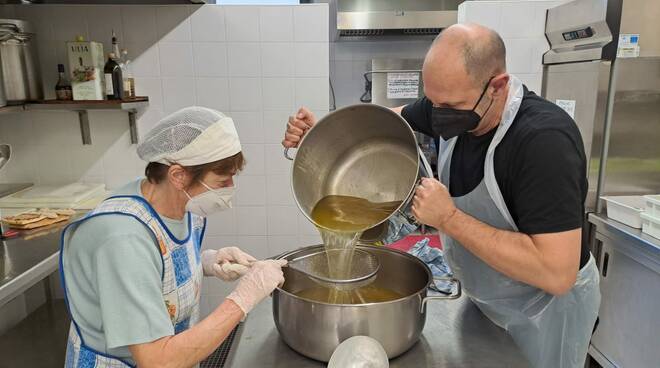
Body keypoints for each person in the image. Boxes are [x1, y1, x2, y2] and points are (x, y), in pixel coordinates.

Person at [282, 24, 600, 368]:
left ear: (497, 86)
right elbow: (382, 123)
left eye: (449, 105)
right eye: (433, 103)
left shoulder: (543, 142)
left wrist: (448, 218)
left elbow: (556, 273)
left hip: (544, 316)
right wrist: (322, 133)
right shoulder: (451, 106)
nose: (437, 115)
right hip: (487, 301)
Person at [61, 106, 287, 368]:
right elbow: (158, 361)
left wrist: (207, 262)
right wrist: (243, 299)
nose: (229, 190)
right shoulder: (123, 238)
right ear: (178, 175)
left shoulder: (180, 202)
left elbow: (157, 264)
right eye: (222, 181)